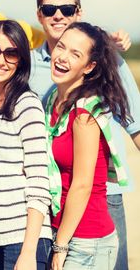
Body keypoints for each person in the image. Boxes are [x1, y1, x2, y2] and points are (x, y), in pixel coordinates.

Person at [29, 0, 140, 270]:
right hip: (61, 215)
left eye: (66, 8)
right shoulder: (50, 89)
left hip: (92, 219)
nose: (58, 15)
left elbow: (135, 125)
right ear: (39, 14)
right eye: (50, 8)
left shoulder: (87, 109)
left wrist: (61, 245)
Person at [46, 22, 136, 270]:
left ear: (89, 66)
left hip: (87, 241)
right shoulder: (54, 100)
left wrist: (61, 245)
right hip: (63, 229)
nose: (63, 57)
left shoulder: (86, 111)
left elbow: (83, 185)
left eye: (75, 54)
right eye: (61, 47)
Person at [0, 20, 52, 270]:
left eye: (11, 53)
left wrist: (28, 252)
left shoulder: (27, 105)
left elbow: (39, 180)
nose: (0, 60)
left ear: (22, 60)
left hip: (24, 239)